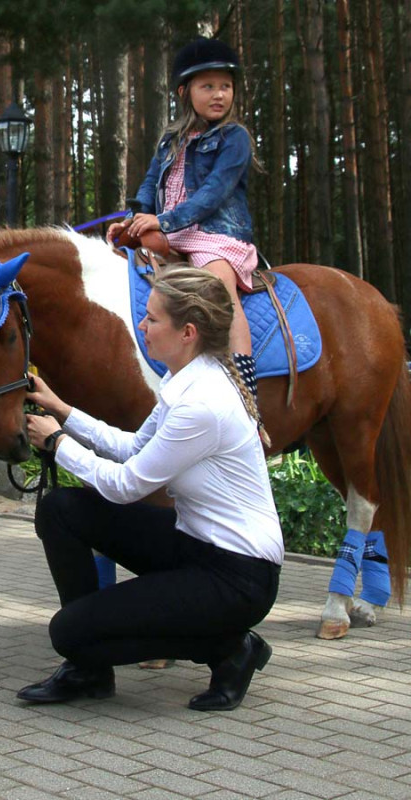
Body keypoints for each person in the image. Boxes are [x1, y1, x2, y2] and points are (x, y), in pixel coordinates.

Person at [19, 267, 283, 712]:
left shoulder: (202, 404)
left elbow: (127, 485)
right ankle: (88, 671)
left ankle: (230, 648)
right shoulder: (185, 380)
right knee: (61, 508)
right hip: (196, 546)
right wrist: (63, 411)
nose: (142, 327)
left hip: (238, 576)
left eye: (152, 319)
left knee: (67, 632)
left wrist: (55, 442)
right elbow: (133, 447)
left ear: (188, 332)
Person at [106, 37, 261, 415]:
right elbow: (149, 182)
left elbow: (213, 193)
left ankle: (245, 389)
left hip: (216, 237)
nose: (219, 94)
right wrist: (134, 217)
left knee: (218, 289)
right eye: (208, 86)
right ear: (184, 91)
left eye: (225, 86)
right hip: (174, 234)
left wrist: (163, 219)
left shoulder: (234, 138)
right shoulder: (171, 139)